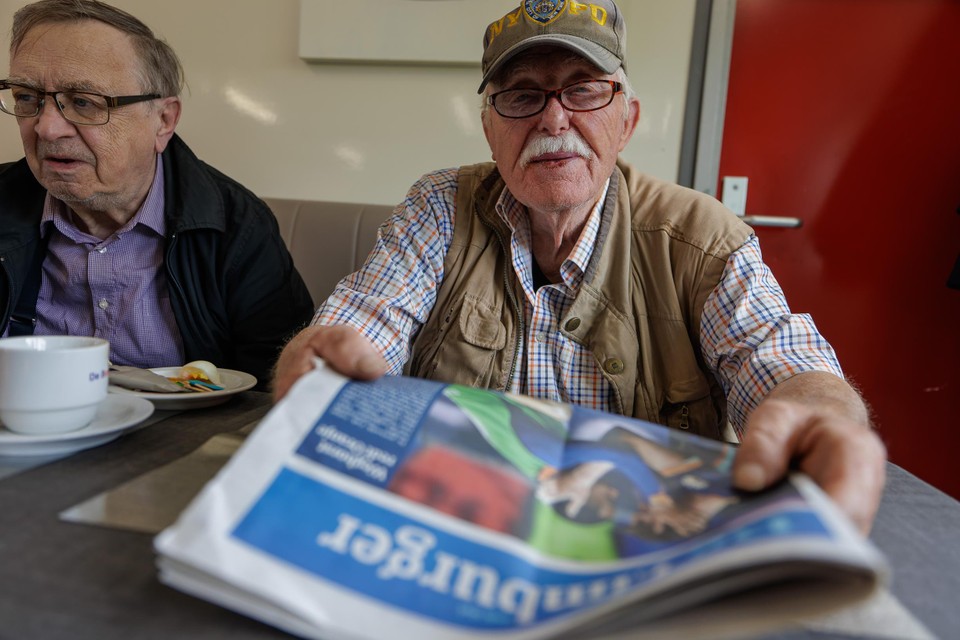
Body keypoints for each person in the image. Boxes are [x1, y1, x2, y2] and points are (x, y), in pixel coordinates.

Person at [274, 0, 885, 533]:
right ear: (489, 128)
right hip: (460, 519)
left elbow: (779, 361)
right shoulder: (438, 207)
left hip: (636, 538)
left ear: (628, 119)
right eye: (521, 96)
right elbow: (364, 323)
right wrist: (324, 361)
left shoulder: (702, 237)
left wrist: (818, 413)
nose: (552, 118)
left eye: (584, 88)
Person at [0, 0, 313, 386]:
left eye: (84, 102)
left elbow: (275, 385)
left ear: (163, 120)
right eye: (28, 97)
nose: (47, 129)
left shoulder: (237, 227)